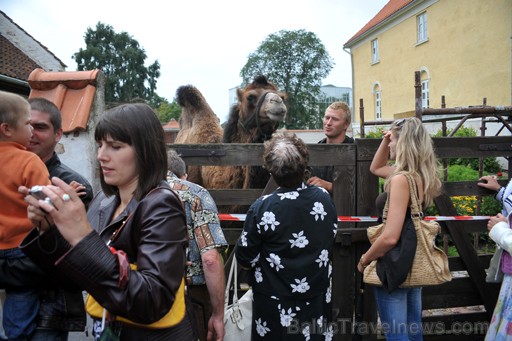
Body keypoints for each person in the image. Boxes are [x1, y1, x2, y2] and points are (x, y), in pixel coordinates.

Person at [18, 103, 195, 340]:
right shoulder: (104, 201)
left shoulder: (161, 205)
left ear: (145, 150)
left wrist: (82, 236)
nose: (101, 155)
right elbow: (74, 279)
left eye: (115, 146)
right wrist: (48, 230)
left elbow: (152, 300)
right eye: (100, 145)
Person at [235, 131, 338, 340]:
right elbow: (330, 236)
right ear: (304, 165)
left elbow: (245, 255)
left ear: (270, 170)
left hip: (275, 299)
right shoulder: (323, 198)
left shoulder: (262, 208)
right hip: (315, 297)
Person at [359, 117, 442, 341]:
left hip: (395, 262)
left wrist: (366, 259)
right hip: (414, 258)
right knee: (413, 330)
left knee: (397, 335)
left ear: (404, 143)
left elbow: (390, 237)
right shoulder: (421, 176)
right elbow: (375, 167)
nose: (391, 145)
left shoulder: (400, 180)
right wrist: (386, 140)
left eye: (394, 141)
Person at [0, 91, 51, 340]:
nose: (32, 130)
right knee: (20, 302)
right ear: (7, 129)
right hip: (22, 252)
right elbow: (46, 203)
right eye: (28, 124)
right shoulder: (29, 161)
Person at [167, 149, 228, 341]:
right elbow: (210, 259)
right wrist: (218, 314)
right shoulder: (196, 194)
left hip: (144, 295)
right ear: (184, 175)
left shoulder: (135, 191)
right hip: (191, 297)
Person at [28, 97, 94, 207]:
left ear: (57, 134)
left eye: (40, 127)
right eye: (26, 126)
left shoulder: (71, 185)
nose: (31, 133)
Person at [307, 101, 354, 193]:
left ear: (346, 124)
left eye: (335, 119)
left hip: (345, 206)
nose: (328, 123)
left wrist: (328, 186)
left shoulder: (355, 151)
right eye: (327, 117)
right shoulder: (314, 151)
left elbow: (360, 189)